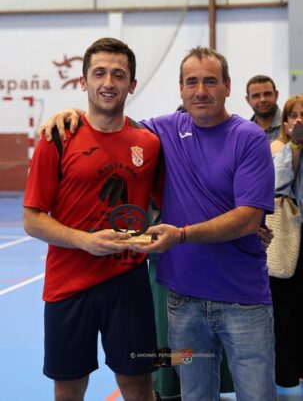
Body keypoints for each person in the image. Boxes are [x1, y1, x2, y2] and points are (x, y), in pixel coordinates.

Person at [39, 46, 276, 400]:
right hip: (183, 301)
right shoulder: (162, 130)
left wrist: (181, 235)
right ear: (180, 89)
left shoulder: (249, 138)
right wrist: (72, 112)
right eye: (191, 82)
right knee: (194, 395)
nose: (200, 91)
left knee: (257, 395)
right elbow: (109, 122)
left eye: (210, 81)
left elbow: (247, 219)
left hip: (242, 299)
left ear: (227, 86)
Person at [23, 37, 163, 401]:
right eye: (99, 73)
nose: (108, 82)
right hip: (68, 285)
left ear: (132, 84)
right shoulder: (57, 138)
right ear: (83, 81)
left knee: (138, 386)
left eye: (119, 74)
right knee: (68, 387)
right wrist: (86, 241)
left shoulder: (148, 143)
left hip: (128, 283)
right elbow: (32, 219)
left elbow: (173, 202)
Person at [269, 94, 303, 387]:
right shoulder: (280, 148)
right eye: (296, 115)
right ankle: (286, 371)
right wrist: (296, 143)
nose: (300, 121)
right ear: (287, 121)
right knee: (286, 308)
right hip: (292, 239)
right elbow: (279, 185)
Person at [246, 74, 281, 141]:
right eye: (256, 96)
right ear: (248, 100)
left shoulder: (291, 128)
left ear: (276, 95)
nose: (262, 99)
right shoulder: (244, 132)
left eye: (267, 94)